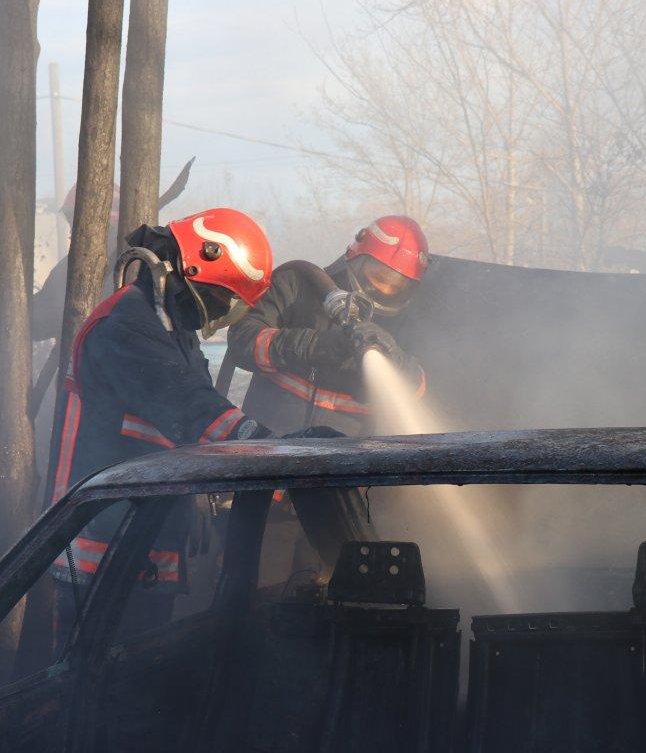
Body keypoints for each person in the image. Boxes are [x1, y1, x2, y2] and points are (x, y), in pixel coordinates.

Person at [47, 207, 278, 642]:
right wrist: (276, 456)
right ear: (194, 267)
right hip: (100, 556)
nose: (226, 310)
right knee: (95, 697)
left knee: (144, 689)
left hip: (142, 548)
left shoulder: (170, 327)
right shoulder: (125, 328)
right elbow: (194, 410)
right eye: (224, 297)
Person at [227, 215, 430, 437]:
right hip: (267, 447)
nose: (381, 289)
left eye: (395, 286)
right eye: (377, 276)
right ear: (356, 258)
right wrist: (311, 345)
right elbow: (241, 341)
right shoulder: (297, 284)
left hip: (345, 463)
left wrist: (394, 359)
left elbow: (420, 392)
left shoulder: (408, 323)